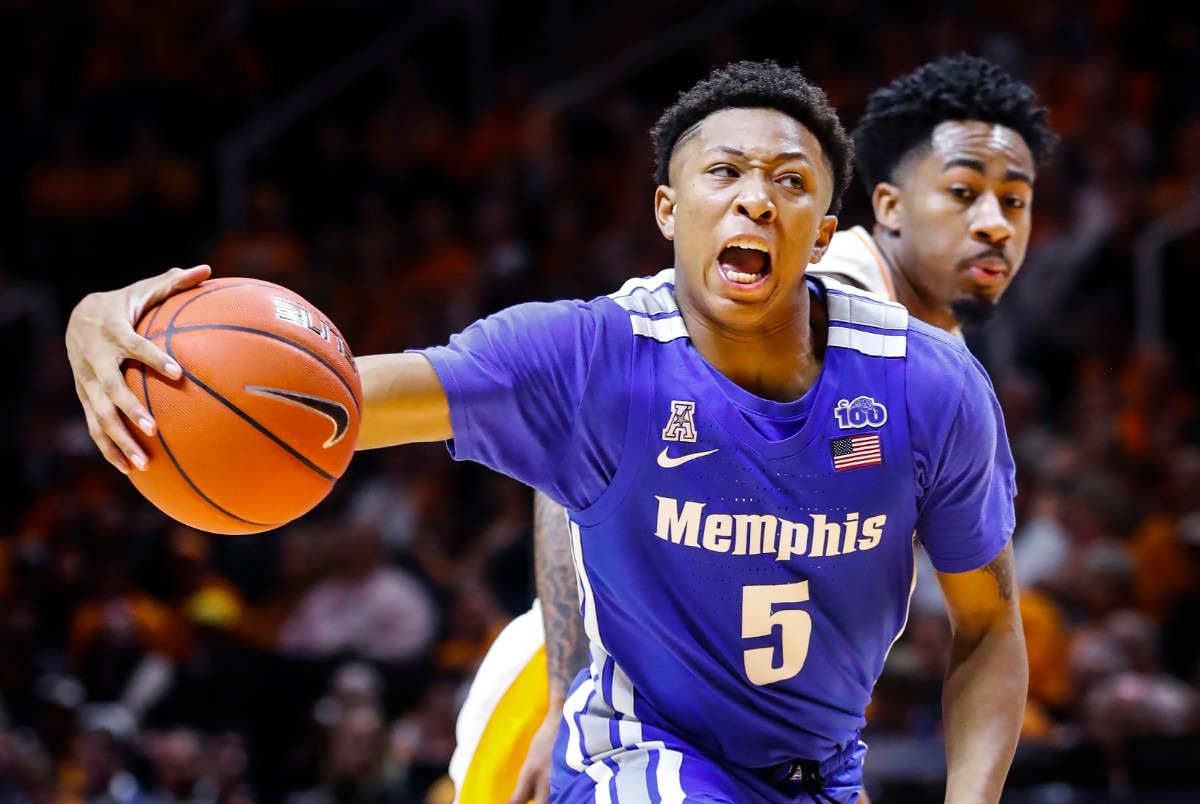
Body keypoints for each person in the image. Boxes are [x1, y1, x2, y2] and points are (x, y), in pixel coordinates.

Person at [67, 60, 1025, 802]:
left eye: (788, 180)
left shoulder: (929, 387)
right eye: (723, 173)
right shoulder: (586, 354)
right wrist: (101, 324)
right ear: (667, 210)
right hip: (637, 747)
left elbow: (988, 626)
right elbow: (332, 400)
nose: (755, 198)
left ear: (822, 231)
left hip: (816, 766)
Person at [482, 54, 1059, 804]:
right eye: (962, 194)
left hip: (728, 717)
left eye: (1015, 203)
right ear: (884, 206)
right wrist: (561, 692)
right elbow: (575, 450)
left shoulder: (926, 359)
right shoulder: (818, 306)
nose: (993, 224)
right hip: (602, 687)